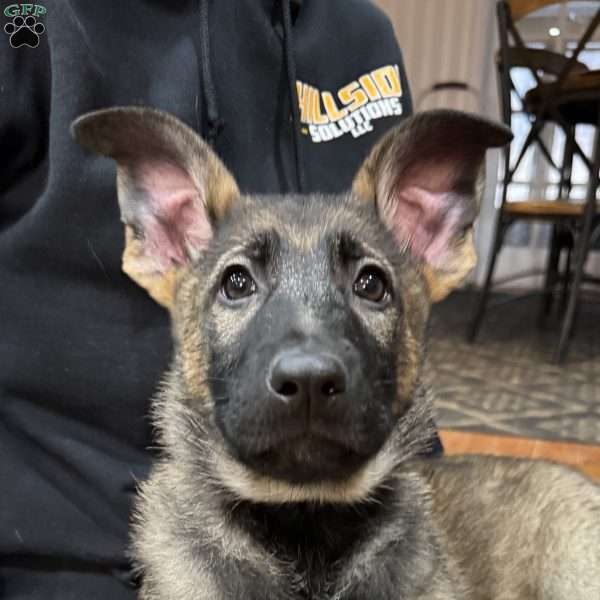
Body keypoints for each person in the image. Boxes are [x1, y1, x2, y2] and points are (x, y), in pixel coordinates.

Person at [0, 1, 441, 597]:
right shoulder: (23, 20)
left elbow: (397, 320)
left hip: (364, 520)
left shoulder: (358, 33)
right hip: (65, 543)